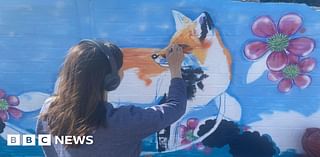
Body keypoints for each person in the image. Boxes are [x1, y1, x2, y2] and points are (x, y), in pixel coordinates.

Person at [36, 39, 187, 157]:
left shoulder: (49, 110)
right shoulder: (122, 121)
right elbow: (175, 107)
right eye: (122, 68)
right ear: (111, 80)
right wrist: (175, 70)